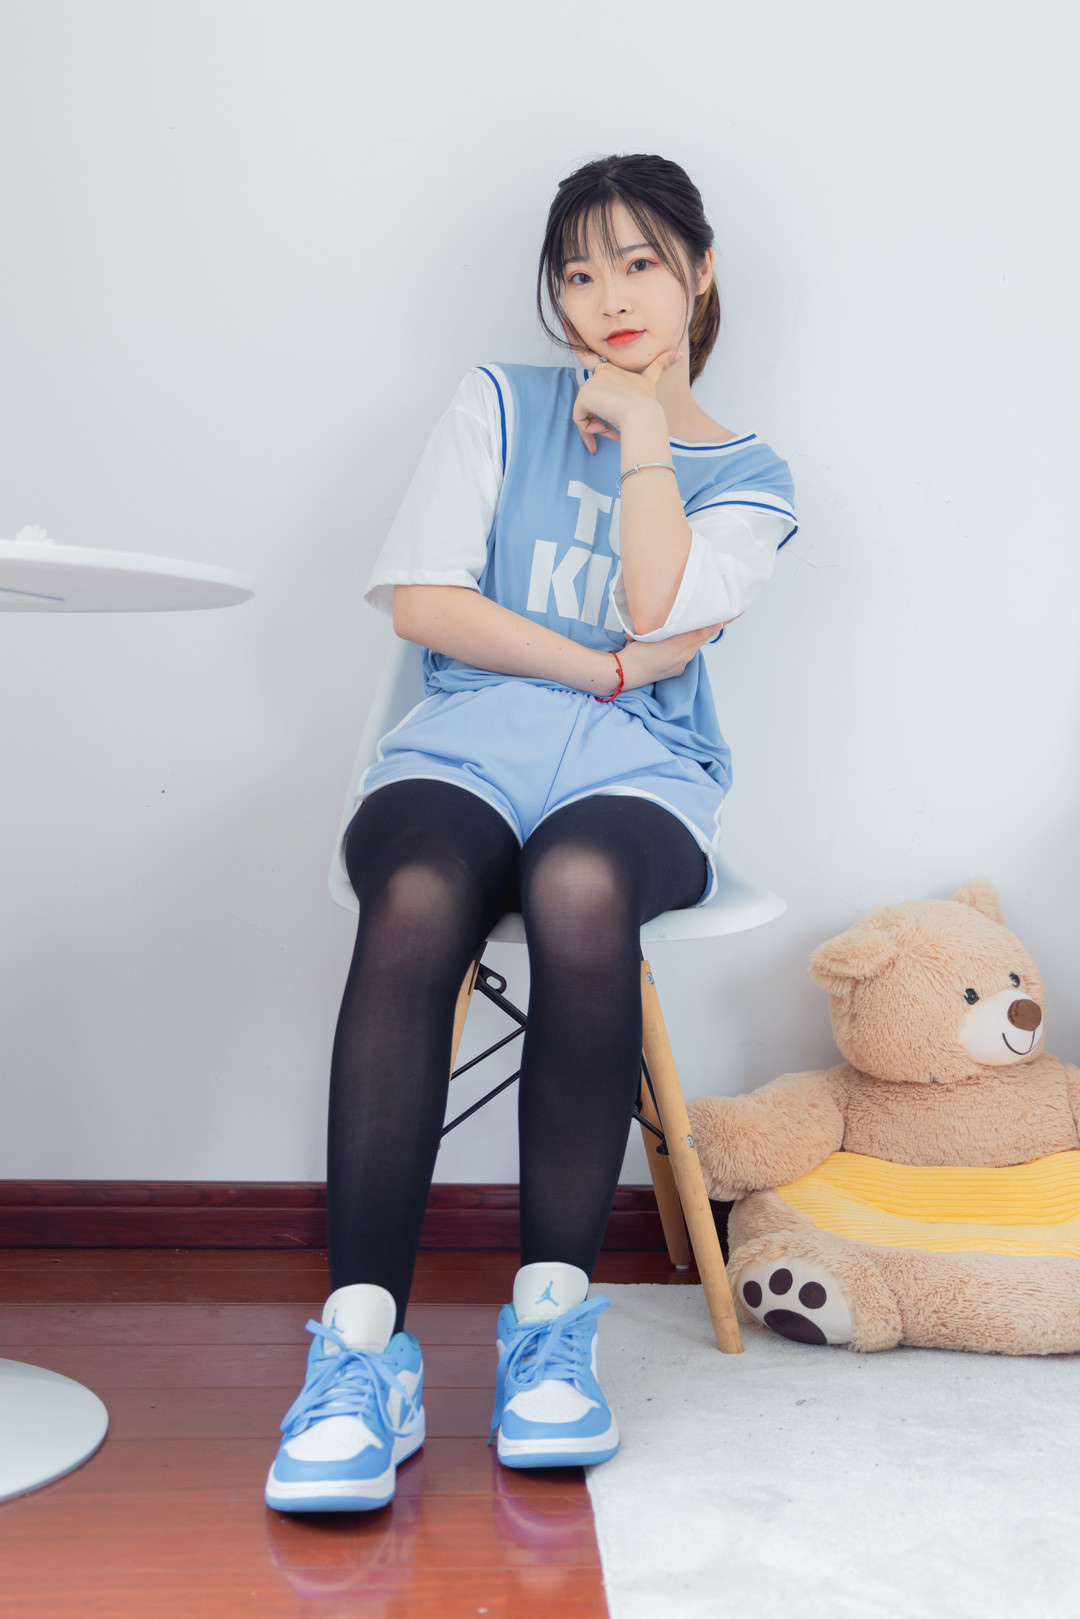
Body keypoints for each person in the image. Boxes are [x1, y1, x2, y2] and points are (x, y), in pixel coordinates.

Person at [265, 152, 797, 1513]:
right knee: (417, 893)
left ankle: (550, 1329)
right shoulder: (498, 404)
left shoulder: (749, 476)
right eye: (578, 271)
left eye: (639, 262)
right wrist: (601, 668)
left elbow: (657, 600)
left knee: (577, 885)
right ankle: (360, 1353)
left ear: (701, 271)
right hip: (462, 746)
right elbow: (425, 607)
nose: (608, 297)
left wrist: (643, 439)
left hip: (642, 775)